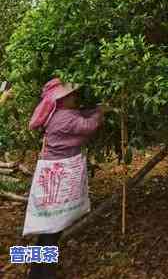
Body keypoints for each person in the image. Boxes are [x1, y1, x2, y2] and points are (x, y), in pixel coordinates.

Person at [24, 78, 113, 279]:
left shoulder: (59, 114)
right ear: (62, 99)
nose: (76, 97)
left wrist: (96, 108)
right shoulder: (65, 118)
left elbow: (81, 115)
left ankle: (35, 272)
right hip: (57, 174)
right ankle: (45, 275)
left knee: (47, 229)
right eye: (72, 94)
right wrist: (101, 111)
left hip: (51, 173)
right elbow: (88, 126)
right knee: (52, 230)